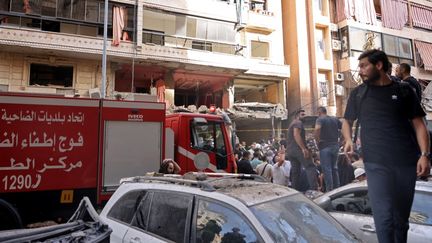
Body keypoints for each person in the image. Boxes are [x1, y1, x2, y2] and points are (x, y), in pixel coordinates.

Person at [342, 49, 430, 243]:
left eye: (364, 65)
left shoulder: (404, 90)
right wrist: (348, 139)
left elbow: (419, 125)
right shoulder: (359, 94)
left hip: (406, 163)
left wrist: (424, 154)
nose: (360, 70)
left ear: (379, 65)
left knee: (401, 220)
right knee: (383, 218)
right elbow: (347, 121)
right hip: (376, 164)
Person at [286, 109, 318, 191]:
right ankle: (314, 191)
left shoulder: (292, 124)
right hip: (298, 150)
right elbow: (296, 134)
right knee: (310, 167)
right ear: (297, 116)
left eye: (305, 114)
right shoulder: (298, 123)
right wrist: (303, 149)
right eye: (302, 115)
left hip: (290, 151)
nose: (304, 116)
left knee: (295, 172)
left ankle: (294, 191)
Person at [314, 106, 342, 191]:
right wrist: (342, 140)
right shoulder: (335, 119)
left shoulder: (320, 119)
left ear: (319, 112)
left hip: (325, 146)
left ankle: (330, 190)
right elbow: (343, 127)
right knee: (334, 168)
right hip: (335, 146)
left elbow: (317, 129)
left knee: (327, 169)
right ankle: (337, 189)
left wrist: (318, 140)